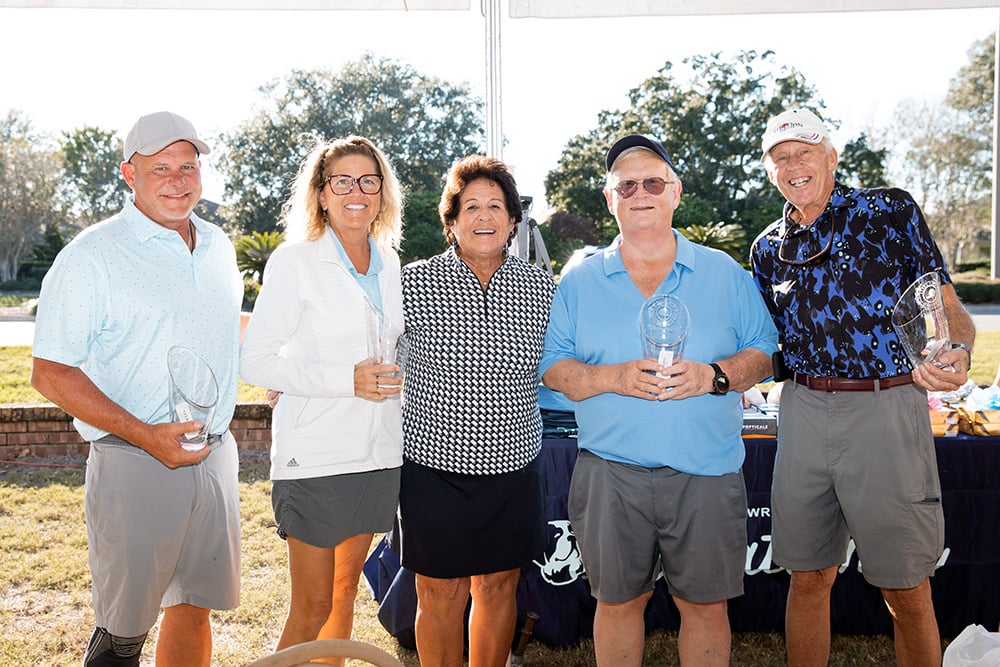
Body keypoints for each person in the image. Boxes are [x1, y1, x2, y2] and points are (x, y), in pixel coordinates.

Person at [539, 134, 779, 666]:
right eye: (626, 186)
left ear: (675, 192)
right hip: (610, 471)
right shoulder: (579, 280)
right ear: (610, 199)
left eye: (653, 182)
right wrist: (614, 377)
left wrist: (715, 376)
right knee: (618, 603)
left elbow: (765, 352)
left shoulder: (724, 272)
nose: (640, 194)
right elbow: (553, 369)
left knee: (706, 607)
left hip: (706, 471)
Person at [750, 107, 976, 667]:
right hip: (802, 409)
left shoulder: (889, 210)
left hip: (886, 405)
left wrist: (958, 348)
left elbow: (946, 304)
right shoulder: (767, 247)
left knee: (906, 585)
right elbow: (763, 343)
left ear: (831, 157)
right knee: (808, 575)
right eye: (780, 158)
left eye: (804, 152)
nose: (793, 166)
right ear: (770, 172)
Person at [30, 111, 243, 667]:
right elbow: (50, 372)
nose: (178, 181)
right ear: (130, 174)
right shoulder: (92, 255)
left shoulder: (217, 245)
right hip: (133, 459)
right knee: (124, 634)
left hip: (214, 454)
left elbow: (223, 330)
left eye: (188, 167)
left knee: (194, 609)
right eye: (160, 168)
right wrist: (147, 435)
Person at [239, 136, 405, 662]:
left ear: (382, 192)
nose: (357, 192)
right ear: (321, 193)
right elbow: (254, 361)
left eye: (369, 181)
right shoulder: (295, 262)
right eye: (343, 181)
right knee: (311, 605)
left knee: (344, 592)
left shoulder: (391, 263)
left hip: (376, 454)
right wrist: (343, 379)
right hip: (314, 458)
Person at [393, 154, 556, 667]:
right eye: (471, 207)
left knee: (498, 585)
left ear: (512, 220)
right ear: (452, 221)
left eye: (496, 206)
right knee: (439, 592)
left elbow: (566, 364)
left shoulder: (542, 289)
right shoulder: (411, 284)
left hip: (513, 467)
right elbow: (373, 353)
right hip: (433, 468)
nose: (484, 216)